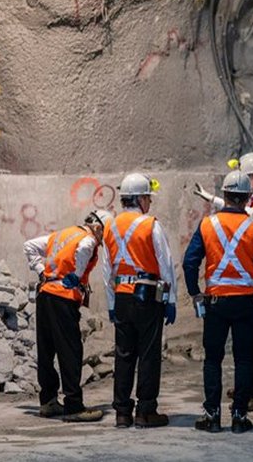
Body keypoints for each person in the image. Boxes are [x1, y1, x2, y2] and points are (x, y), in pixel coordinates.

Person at [183, 171, 253, 434]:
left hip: (216, 303)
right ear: (247, 197)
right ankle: (239, 416)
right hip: (247, 304)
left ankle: (212, 416)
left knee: (213, 359)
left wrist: (195, 292)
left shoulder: (207, 225)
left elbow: (190, 262)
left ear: (224, 195)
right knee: (244, 360)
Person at [101, 172, 178, 428]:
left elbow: (107, 270)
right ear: (140, 199)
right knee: (148, 354)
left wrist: (111, 304)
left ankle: (122, 413)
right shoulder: (151, 225)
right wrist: (170, 299)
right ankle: (146, 411)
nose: (150, 202)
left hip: (122, 296)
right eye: (148, 198)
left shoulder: (110, 226)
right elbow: (165, 265)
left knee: (123, 355)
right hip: (147, 296)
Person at [23, 210, 113, 422]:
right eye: (105, 234)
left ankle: (48, 401)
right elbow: (85, 248)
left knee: (46, 350)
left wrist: (41, 271)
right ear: (98, 227)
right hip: (63, 298)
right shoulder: (88, 239)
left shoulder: (61, 235)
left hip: (45, 294)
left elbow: (29, 246)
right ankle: (74, 406)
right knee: (70, 350)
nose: (104, 240)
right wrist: (77, 274)